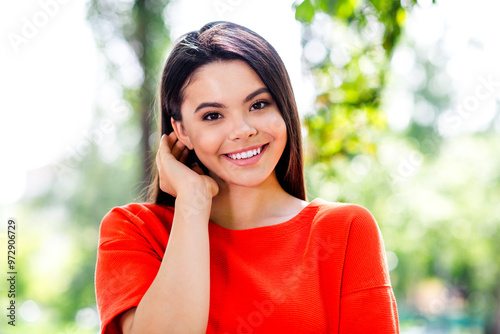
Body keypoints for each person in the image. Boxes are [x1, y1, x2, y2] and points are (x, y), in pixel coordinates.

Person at [95, 21, 399, 334]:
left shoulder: (345, 231)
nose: (243, 130)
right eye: (213, 115)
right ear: (182, 130)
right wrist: (192, 203)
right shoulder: (135, 232)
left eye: (259, 104)